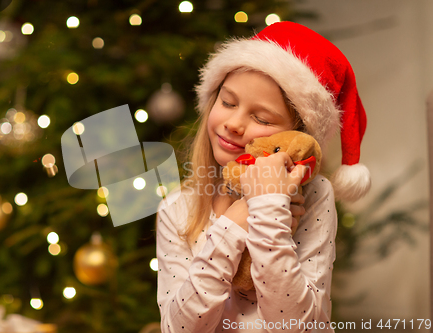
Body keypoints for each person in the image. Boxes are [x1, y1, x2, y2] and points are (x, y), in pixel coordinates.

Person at [156, 21, 371, 332]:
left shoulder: (315, 195)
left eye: (261, 118)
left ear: (296, 139)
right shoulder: (177, 209)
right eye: (227, 102)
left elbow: (299, 326)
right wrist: (236, 222)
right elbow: (180, 328)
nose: (234, 123)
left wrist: (269, 209)